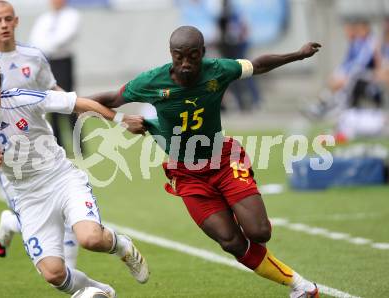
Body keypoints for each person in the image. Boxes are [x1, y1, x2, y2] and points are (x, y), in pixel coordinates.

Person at [90, 26, 321, 297]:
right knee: (230, 241)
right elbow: (101, 100)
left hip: (223, 161)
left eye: (193, 57)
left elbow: (257, 65)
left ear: (203, 53)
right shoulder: (151, 82)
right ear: (170, 55)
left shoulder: (219, 70)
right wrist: (120, 120)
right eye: (179, 57)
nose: (186, 64)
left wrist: (298, 55)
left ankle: (244, 207)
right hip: (187, 175)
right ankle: (300, 286)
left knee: (258, 232)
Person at [0, 57, 149, 296]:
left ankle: (122, 246)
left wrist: (121, 121)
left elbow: (77, 102)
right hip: (28, 197)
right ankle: (102, 292)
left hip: (61, 178)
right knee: (54, 274)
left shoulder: (22, 99)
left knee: (90, 239)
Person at [0, 0, 78, 268]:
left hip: (39, 145)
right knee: (37, 215)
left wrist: (78, 105)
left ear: (17, 21)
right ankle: (14, 224)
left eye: (8, 19)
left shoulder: (33, 56)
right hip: (4, 156)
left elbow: (51, 89)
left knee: (63, 212)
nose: (4, 25)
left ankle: (72, 278)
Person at [29, 0, 83, 153]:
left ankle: (79, 143)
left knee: (69, 100)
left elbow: (64, 36)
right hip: (47, 62)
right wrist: (43, 49)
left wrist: (46, 46)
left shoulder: (72, 15)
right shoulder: (44, 18)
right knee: (51, 100)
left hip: (62, 61)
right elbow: (35, 39)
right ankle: (58, 143)